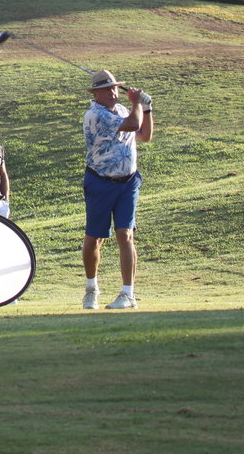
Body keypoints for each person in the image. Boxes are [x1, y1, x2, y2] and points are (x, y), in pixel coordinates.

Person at [81, 69, 154, 310]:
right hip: (100, 182)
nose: (113, 92)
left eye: (114, 88)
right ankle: (92, 289)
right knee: (95, 238)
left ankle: (128, 294)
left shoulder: (123, 110)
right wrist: (137, 104)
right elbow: (134, 124)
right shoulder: (95, 115)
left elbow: (144, 136)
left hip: (128, 182)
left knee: (126, 235)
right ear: (96, 94)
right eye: (106, 89)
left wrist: (147, 109)